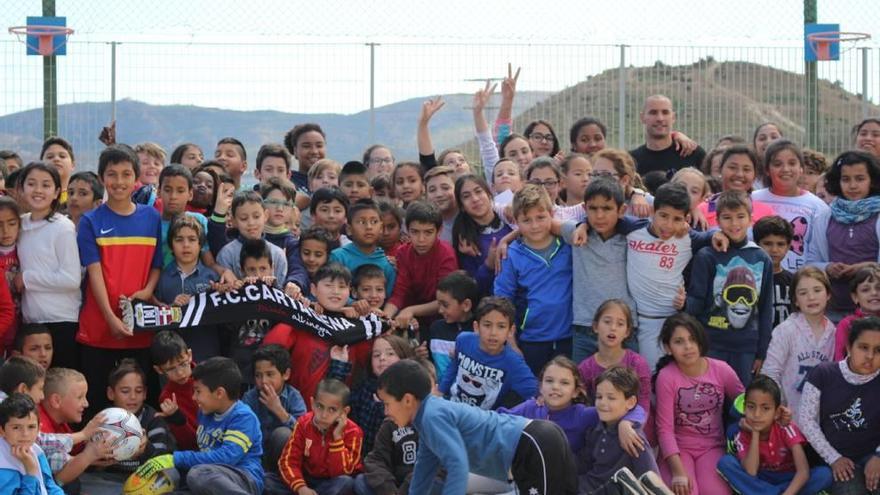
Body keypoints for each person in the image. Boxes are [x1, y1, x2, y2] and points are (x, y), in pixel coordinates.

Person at [377, 359, 578, 495]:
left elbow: (457, 465)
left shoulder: (431, 415)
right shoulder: (426, 417)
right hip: (530, 445)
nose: (386, 412)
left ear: (408, 400)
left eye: (387, 404)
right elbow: (424, 466)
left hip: (533, 442)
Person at [77, 144, 162, 420]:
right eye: (112, 174)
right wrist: (110, 318)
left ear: (136, 178)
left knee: (139, 401)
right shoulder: (91, 221)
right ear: (102, 179)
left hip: (139, 328)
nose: (119, 181)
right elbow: (94, 272)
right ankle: (100, 461)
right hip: (100, 328)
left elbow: (156, 264)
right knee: (100, 403)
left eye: (126, 174)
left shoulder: (151, 217)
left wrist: (147, 291)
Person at [625, 182, 725, 369]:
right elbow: (615, 196)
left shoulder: (687, 237)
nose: (669, 225)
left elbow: (709, 236)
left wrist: (716, 234)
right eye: (663, 216)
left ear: (686, 219)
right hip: (640, 320)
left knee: (672, 376)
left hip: (674, 320)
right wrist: (637, 193)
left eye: (677, 219)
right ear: (653, 211)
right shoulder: (632, 229)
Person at [133, 357, 264, 495]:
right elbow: (195, 448)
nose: (194, 397)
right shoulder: (205, 412)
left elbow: (226, 458)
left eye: (198, 391)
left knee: (197, 474)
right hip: (207, 479)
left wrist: (175, 458)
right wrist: (176, 420)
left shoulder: (243, 417)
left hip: (244, 480)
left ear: (219, 393)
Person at [686, 190, 774, 386]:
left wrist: (762, 352)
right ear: (717, 220)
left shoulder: (761, 258)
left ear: (751, 219)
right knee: (710, 400)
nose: (734, 224)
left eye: (740, 217)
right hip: (710, 344)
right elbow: (696, 302)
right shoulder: (706, 256)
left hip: (746, 348)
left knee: (739, 402)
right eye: (727, 218)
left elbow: (766, 309)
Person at [653, 313, 744, 495]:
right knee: (685, 490)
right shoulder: (666, 377)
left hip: (712, 447)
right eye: (679, 341)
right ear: (668, 347)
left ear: (700, 341)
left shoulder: (721, 370)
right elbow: (664, 428)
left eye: (692, 339)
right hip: (678, 450)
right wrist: (678, 472)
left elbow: (745, 403)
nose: (687, 347)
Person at [263, 263, 375, 403]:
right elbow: (270, 345)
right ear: (314, 289)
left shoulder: (356, 327)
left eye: (342, 286)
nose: (335, 291)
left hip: (337, 411)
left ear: (350, 291)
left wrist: (366, 315)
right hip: (298, 410)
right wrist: (297, 309)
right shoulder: (302, 320)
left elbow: (371, 363)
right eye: (328, 285)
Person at [499, 356, 646, 457]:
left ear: (576, 391)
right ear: (541, 387)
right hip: (525, 474)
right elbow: (498, 419)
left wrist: (626, 423)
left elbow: (634, 408)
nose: (555, 387)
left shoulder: (582, 415)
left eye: (564, 383)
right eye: (549, 381)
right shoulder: (530, 407)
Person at [494, 185, 573, 373]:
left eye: (541, 217)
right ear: (516, 221)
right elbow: (502, 301)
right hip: (531, 339)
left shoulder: (568, 246)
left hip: (569, 337)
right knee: (535, 393)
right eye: (526, 220)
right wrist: (510, 341)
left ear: (551, 214)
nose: (535, 225)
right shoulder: (511, 255)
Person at [562, 179, 642, 363]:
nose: (599, 215)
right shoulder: (575, 233)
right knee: (582, 386)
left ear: (621, 210)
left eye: (607, 208)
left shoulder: (633, 237)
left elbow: (660, 221)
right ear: (584, 208)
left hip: (624, 329)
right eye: (593, 208)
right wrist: (506, 240)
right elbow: (547, 224)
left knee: (625, 384)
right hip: (585, 327)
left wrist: (640, 194)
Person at [799, 316, 880, 495]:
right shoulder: (823, 374)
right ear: (849, 347)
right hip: (833, 460)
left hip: (872, 456)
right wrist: (834, 458)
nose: (870, 356)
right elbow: (806, 421)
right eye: (863, 347)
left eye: (878, 350)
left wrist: (878, 457)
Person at [717, 375, 832, 495]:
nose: (757, 414)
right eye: (751, 407)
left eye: (765, 408)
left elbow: (803, 472)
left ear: (777, 412)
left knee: (824, 474)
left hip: (788, 478)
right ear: (745, 408)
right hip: (760, 478)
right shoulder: (742, 434)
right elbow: (751, 472)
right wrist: (755, 433)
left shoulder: (785, 427)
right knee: (725, 463)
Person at [15, 162, 79, 370]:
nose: (38, 190)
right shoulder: (20, 225)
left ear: (57, 192)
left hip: (61, 320)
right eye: (31, 184)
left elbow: (71, 279)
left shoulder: (63, 228)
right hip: (31, 321)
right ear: (21, 189)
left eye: (46, 185)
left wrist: (27, 278)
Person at [806, 150, 880, 319]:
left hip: (875, 314)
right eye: (846, 179)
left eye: (860, 179)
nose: (853, 185)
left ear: (872, 181)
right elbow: (810, 263)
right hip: (832, 312)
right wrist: (828, 268)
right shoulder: (825, 217)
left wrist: (865, 268)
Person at [579, 366, 670, 495]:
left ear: (631, 402)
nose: (603, 403)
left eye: (611, 398)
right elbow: (584, 465)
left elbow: (651, 478)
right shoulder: (595, 429)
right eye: (599, 397)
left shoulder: (633, 437)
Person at [761, 267, 836, 419]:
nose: (811, 297)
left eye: (817, 290)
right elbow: (770, 372)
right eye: (803, 293)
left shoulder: (835, 332)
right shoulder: (786, 330)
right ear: (795, 299)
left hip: (822, 419)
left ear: (828, 294)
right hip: (788, 418)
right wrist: (777, 406)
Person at [438, 296, 537, 410]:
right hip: (451, 408)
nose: (493, 333)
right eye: (487, 325)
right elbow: (453, 367)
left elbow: (535, 394)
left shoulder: (513, 362)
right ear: (476, 327)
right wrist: (440, 391)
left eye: (501, 326)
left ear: (510, 331)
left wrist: (505, 417)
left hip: (481, 423)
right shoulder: (463, 340)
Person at [270, 378, 363, 495]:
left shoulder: (353, 432)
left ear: (344, 411)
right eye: (320, 406)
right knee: (267, 480)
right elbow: (289, 461)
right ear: (312, 403)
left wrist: (337, 438)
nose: (324, 415)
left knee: (346, 483)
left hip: (330, 483)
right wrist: (301, 487)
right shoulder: (303, 423)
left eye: (332, 410)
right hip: (305, 478)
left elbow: (343, 473)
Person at [327, 334, 413, 456]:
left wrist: (382, 408)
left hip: (391, 464)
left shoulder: (411, 394)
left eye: (390, 353)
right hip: (358, 460)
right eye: (376, 355)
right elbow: (334, 401)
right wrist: (339, 366)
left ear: (405, 359)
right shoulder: (365, 389)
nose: (382, 358)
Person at [752, 139, 830, 273]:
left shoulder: (817, 207)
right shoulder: (753, 199)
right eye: (777, 164)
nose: (786, 169)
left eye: (792, 163)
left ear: (801, 169)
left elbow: (818, 254)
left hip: (798, 284)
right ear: (767, 170)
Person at [154, 215, 222, 362]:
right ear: (171, 245)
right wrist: (172, 308)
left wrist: (220, 293)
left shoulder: (212, 278)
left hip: (207, 355)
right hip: (173, 360)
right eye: (179, 240)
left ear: (200, 244)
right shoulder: (161, 279)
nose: (185, 245)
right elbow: (153, 319)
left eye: (192, 239)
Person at [384, 201, 458, 330]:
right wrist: (384, 319)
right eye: (415, 232)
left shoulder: (446, 254)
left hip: (441, 319)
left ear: (439, 231)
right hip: (409, 319)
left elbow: (445, 300)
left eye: (428, 232)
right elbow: (399, 293)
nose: (421, 239)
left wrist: (411, 310)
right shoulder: (403, 253)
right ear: (407, 230)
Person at [577, 300, 652, 416]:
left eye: (620, 324)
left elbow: (644, 403)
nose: (613, 328)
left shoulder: (637, 364)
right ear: (595, 326)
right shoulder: (585, 368)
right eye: (607, 322)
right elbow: (583, 407)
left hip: (632, 428)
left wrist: (630, 425)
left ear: (627, 332)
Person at [241, 344, 306, 469]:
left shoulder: (294, 396)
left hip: (284, 461)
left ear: (285, 374)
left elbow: (304, 432)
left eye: (270, 374)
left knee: (283, 434)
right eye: (258, 375)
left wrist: (279, 410)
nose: (263, 381)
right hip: (256, 456)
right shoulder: (250, 397)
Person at [452, 174, 513, 297]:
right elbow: (471, 289)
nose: (475, 199)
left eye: (478, 191)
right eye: (466, 196)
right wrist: (488, 265)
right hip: (493, 305)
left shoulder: (510, 220)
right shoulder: (466, 240)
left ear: (489, 194)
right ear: (462, 206)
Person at [418, 271, 480, 379]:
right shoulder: (436, 328)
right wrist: (421, 356)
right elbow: (430, 365)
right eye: (439, 304)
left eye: (445, 305)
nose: (440, 310)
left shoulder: (478, 332)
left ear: (466, 305)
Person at [329, 199, 396, 298]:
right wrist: (353, 304)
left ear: (381, 228)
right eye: (361, 222)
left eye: (374, 221)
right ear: (349, 229)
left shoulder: (388, 264)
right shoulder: (338, 257)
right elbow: (331, 290)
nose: (369, 227)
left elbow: (390, 298)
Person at [698, 145, 777, 228]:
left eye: (746, 169)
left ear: (754, 176)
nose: (739, 174)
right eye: (733, 168)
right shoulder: (702, 210)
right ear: (720, 170)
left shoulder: (766, 213)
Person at [0, 393, 65, 495]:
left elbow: (50, 486)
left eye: (31, 427)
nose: (25, 434)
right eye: (16, 427)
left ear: (39, 428)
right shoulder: (2, 466)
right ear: (2, 430)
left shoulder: (36, 451)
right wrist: (30, 471)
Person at [629, 95, 706, 176]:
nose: (660, 118)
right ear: (642, 117)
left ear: (673, 117)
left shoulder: (693, 154)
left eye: (665, 112)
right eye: (653, 113)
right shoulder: (631, 161)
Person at [150, 330, 198, 450]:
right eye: (171, 369)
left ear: (189, 355)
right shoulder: (167, 398)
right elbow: (187, 444)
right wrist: (176, 418)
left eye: (183, 364)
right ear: (159, 370)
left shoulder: (209, 376)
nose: (180, 373)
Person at [754, 215, 795, 329]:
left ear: (788, 247)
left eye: (780, 244)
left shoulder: (794, 281)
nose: (774, 250)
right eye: (767, 244)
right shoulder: (750, 279)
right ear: (757, 244)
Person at [833, 264, 880, 361]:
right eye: (865, 290)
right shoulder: (847, 325)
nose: (874, 293)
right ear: (855, 297)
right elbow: (839, 359)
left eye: (878, 288)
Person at [284, 123, 327, 195]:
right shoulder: (287, 183)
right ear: (295, 151)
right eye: (306, 146)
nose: (314, 151)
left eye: (319, 146)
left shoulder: (337, 182)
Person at [423, 166, 458, 244]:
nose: (439, 194)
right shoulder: (424, 225)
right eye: (432, 190)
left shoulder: (470, 218)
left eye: (445, 188)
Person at [39, 137, 76, 205]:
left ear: (73, 164)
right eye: (50, 157)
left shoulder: (78, 197)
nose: (56, 159)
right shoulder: (36, 196)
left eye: (62, 156)